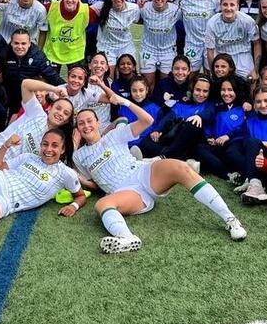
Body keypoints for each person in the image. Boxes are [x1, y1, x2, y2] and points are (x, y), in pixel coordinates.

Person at [73, 95, 247, 254]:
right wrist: (79, 179)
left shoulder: (114, 134)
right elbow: (94, 184)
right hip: (125, 192)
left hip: (143, 172)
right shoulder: (78, 156)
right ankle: (127, 238)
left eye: (89, 121)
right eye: (81, 123)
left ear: (98, 123)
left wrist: (124, 102)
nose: (86, 125)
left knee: (182, 167)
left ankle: (230, 220)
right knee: (102, 204)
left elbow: (147, 120)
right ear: (78, 129)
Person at [235, 85, 267, 202]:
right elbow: (247, 146)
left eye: (266, 100)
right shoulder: (249, 123)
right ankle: (256, 185)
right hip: (259, 163)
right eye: (258, 101)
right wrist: (260, 143)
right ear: (254, 104)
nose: (263, 105)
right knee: (251, 142)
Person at [192, 78, 246, 181]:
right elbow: (209, 123)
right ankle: (227, 174)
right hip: (217, 143)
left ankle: (250, 175)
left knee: (232, 154)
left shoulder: (243, 108)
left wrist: (228, 136)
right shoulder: (216, 106)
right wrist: (209, 137)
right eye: (223, 90)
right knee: (199, 149)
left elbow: (244, 127)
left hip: (235, 142)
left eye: (230, 90)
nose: (226, 93)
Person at [2, 29, 64, 119]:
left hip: (30, 98)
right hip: (10, 95)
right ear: (11, 43)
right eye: (16, 43)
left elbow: (52, 76)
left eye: (23, 43)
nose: (20, 47)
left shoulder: (38, 57)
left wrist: (66, 88)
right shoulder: (5, 53)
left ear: (29, 43)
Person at [205, 0, 261, 81]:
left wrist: (255, 70)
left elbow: (257, 43)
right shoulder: (212, 23)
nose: (228, 8)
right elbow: (210, 50)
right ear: (220, 6)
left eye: (232, 5)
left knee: (251, 80)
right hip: (222, 56)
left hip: (243, 56)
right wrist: (213, 72)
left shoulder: (247, 21)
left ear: (238, 7)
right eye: (225, 5)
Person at [43, 0, 97, 71]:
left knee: (78, 83)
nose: (70, 0)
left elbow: (103, 19)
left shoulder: (87, 11)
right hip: (52, 53)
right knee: (48, 83)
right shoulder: (51, 7)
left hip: (75, 54)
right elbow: (33, 7)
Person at [91, 0, 141, 76]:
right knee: (108, 78)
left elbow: (143, 20)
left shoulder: (134, 8)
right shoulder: (100, 7)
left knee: (129, 76)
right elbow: (80, 12)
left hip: (126, 47)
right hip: (106, 47)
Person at [175, 0, 220, 72]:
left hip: (211, 45)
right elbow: (167, 8)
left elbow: (222, 19)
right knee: (189, 76)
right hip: (191, 45)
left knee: (211, 75)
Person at [139, 0, 180, 90]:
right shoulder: (144, 8)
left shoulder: (176, 10)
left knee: (165, 85)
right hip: (148, 50)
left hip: (168, 51)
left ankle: (164, 106)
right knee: (148, 84)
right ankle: (148, 106)